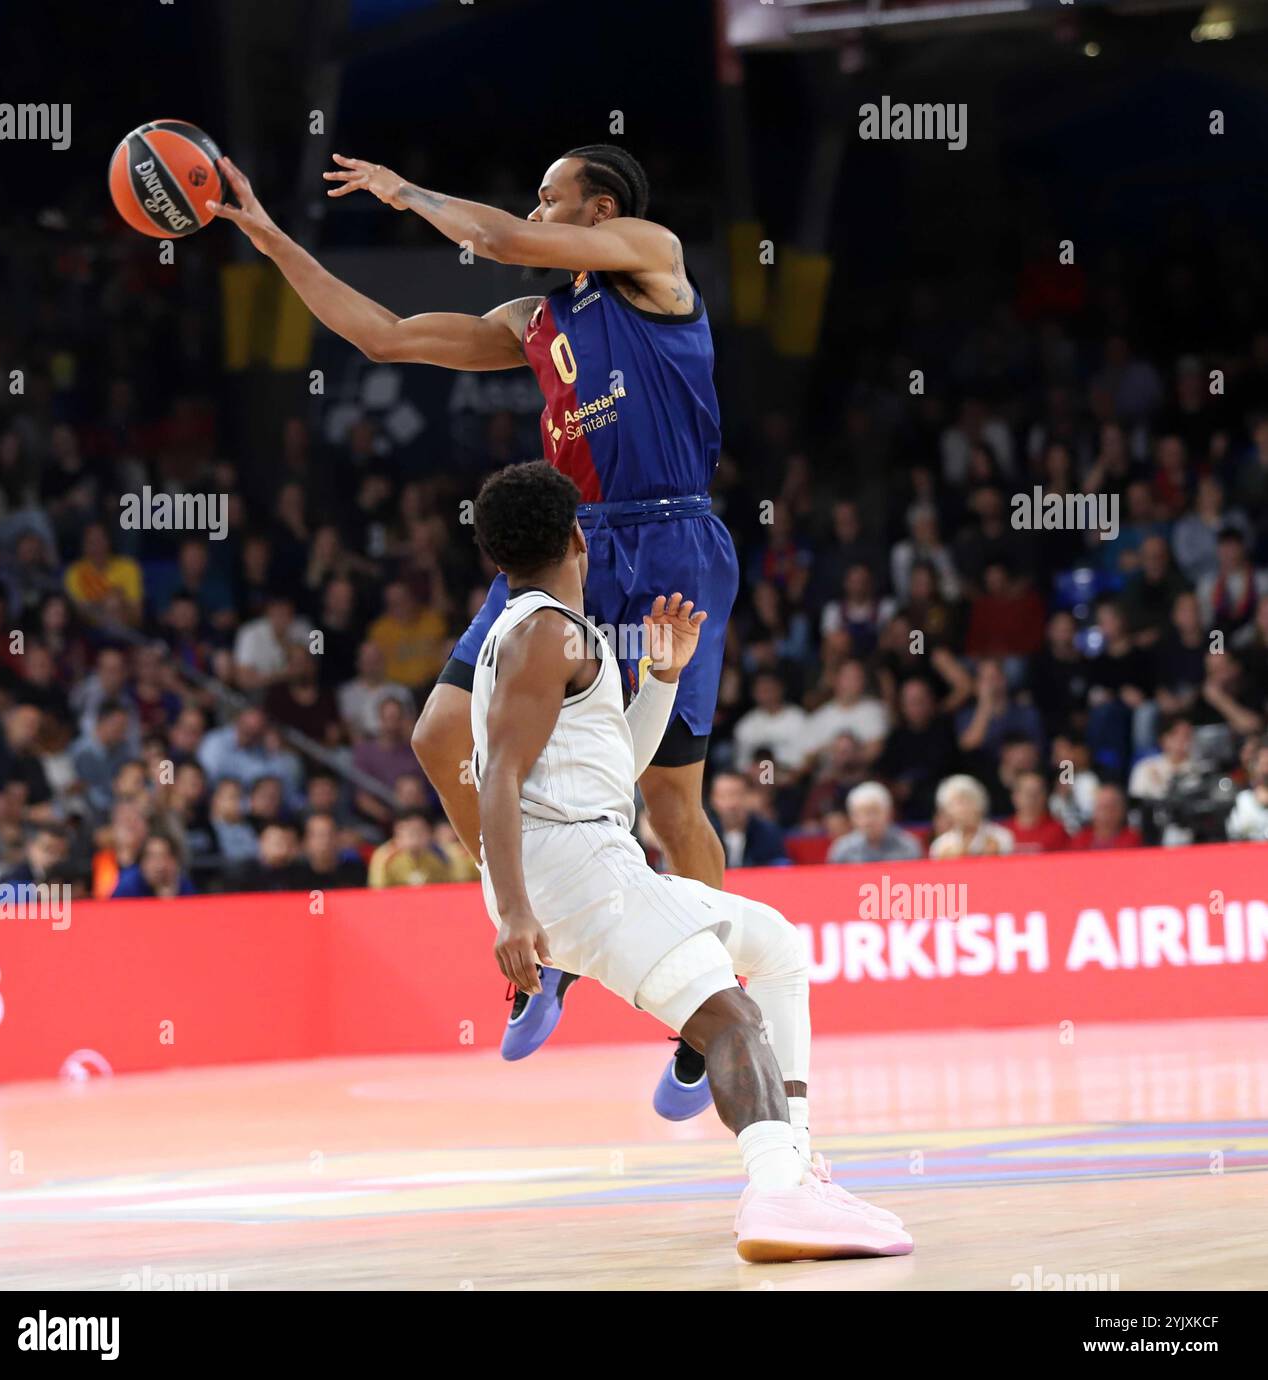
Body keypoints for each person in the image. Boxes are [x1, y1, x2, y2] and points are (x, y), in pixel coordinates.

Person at [210, 145, 738, 1090]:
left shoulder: (652, 256)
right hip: (567, 546)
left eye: (549, 196)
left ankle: (709, 1014)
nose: (532, 208)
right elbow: (382, 334)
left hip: (667, 539)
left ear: (599, 208)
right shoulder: (533, 319)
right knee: (441, 730)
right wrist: (269, 236)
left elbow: (494, 235)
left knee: (669, 798)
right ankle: (536, 925)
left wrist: (403, 190)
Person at [468, 461, 909, 1261]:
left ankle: (796, 1168)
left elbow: (614, 773)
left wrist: (661, 679)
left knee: (772, 943)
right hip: (575, 872)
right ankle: (776, 1192)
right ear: (578, 535)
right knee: (731, 1018)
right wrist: (514, 908)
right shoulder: (545, 631)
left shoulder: (548, 630)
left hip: (589, 861)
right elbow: (499, 773)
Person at [828, 782, 921, 864]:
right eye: (861, 814)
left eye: (874, 812)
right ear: (852, 818)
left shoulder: (908, 846)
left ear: (889, 812)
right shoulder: (842, 850)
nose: (868, 820)